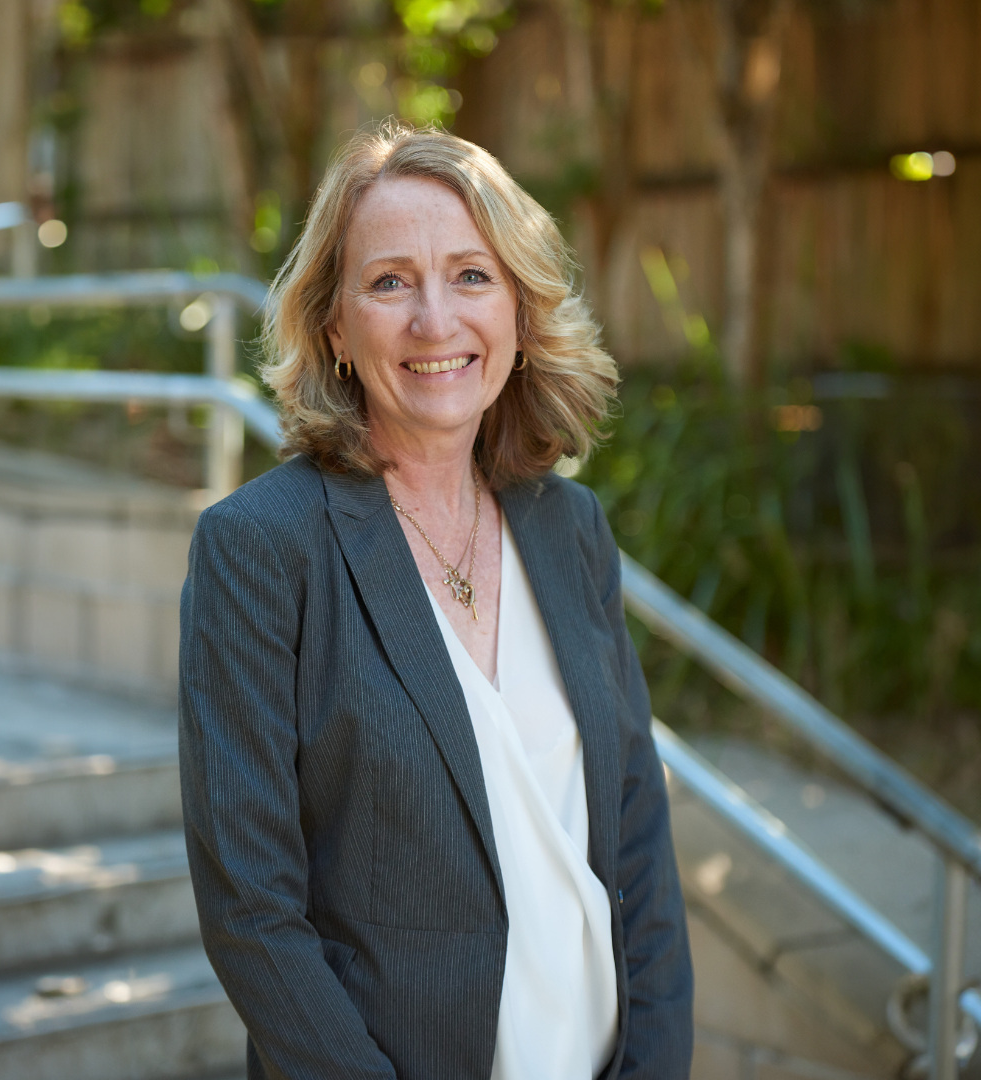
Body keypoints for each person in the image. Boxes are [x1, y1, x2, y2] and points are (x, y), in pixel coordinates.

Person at [178, 121, 693, 1080]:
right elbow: (252, 912)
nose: (435, 321)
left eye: (470, 274)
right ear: (333, 323)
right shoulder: (260, 549)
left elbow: (638, 843)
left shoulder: (569, 528)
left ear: (518, 306)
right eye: (388, 282)